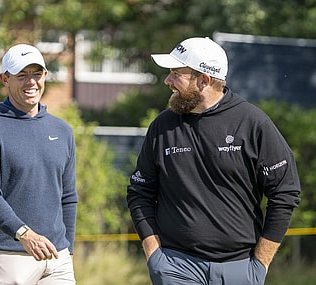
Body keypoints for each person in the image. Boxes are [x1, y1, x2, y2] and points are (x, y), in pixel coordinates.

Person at [127, 37, 301, 285]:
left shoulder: (253, 123)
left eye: (176, 74)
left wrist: (259, 265)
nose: (167, 81)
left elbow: (285, 193)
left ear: (204, 80)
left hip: (239, 269)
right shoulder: (161, 126)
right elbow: (139, 191)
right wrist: (155, 255)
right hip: (176, 267)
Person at [0, 43, 78, 285]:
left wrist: (67, 250)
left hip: (56, 261)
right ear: (5, 79)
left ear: (45, 76)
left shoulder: (62, 130)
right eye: (22, 75)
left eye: (37, 74)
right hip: (4, 259)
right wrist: (24, 233)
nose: (31, 82)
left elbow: (68, 196)